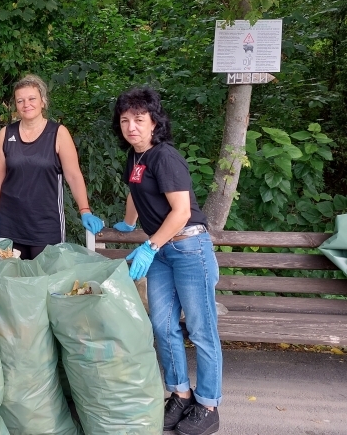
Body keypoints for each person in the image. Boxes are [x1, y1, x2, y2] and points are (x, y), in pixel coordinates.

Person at [112, 87, 221, 435]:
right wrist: (130, 223)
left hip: (188, 248)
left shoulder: (164, 157)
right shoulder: (135, 157)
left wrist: (149, 246)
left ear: (154, 122)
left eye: (139, 120)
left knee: (202, 331)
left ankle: (208, 404)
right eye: (125, 120)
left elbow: (182, 212)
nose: (131, 127)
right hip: (161, 250)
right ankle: (180, 394)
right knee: (162, 327)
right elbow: (136, 189)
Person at [0, 75, 104, 259]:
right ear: (15, 105)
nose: (26, 104)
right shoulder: (6, 133)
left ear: (42, 101)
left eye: (32, 99)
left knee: (45, 281)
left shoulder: (58, 133)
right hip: (9, 223)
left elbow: (73, 175)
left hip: (46, 225)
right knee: (11, 282)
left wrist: (84, 210)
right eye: (20, 100)